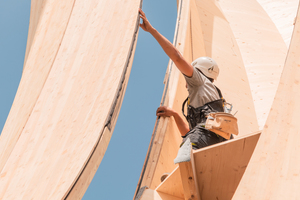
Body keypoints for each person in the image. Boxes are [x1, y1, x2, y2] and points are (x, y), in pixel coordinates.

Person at [139, 9, 229, 150]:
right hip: (220, 146)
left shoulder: (199, 80)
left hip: (208, 140)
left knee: (187, 149)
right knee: (189, 144)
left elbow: (177, 57)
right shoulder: (208, 96)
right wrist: (175, 114)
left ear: (199, 71)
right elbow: (189, 133)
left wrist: (151, 30)